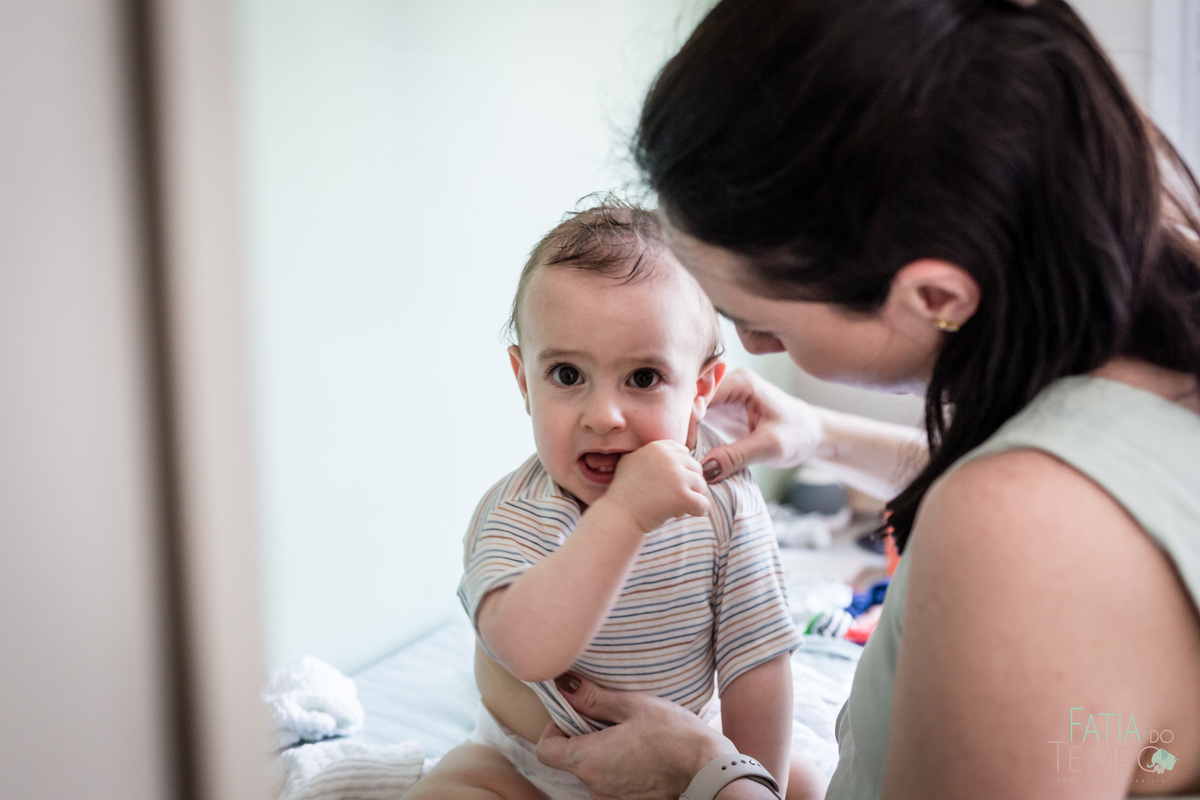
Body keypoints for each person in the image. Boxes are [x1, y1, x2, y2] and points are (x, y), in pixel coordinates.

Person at [532, 0, 1200, 799]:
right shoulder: (1159, 329)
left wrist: (705, 774)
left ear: (933, 296)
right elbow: (1081, 476)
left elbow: (1031, 513)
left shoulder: (1014, 530)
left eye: (764, 321)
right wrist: (817, 436)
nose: (757, 350)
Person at [405, 201, 826, 800]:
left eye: (644, 378)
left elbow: (754, 658)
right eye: (569, 376)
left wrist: (748, 781)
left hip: (679, 755)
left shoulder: (723, 494)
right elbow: (525, 650)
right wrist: (624, 514)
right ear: (525, 382)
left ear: (701, 390)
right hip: (535, 770)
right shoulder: (517, 512)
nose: (603, 417)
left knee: (802, 784)